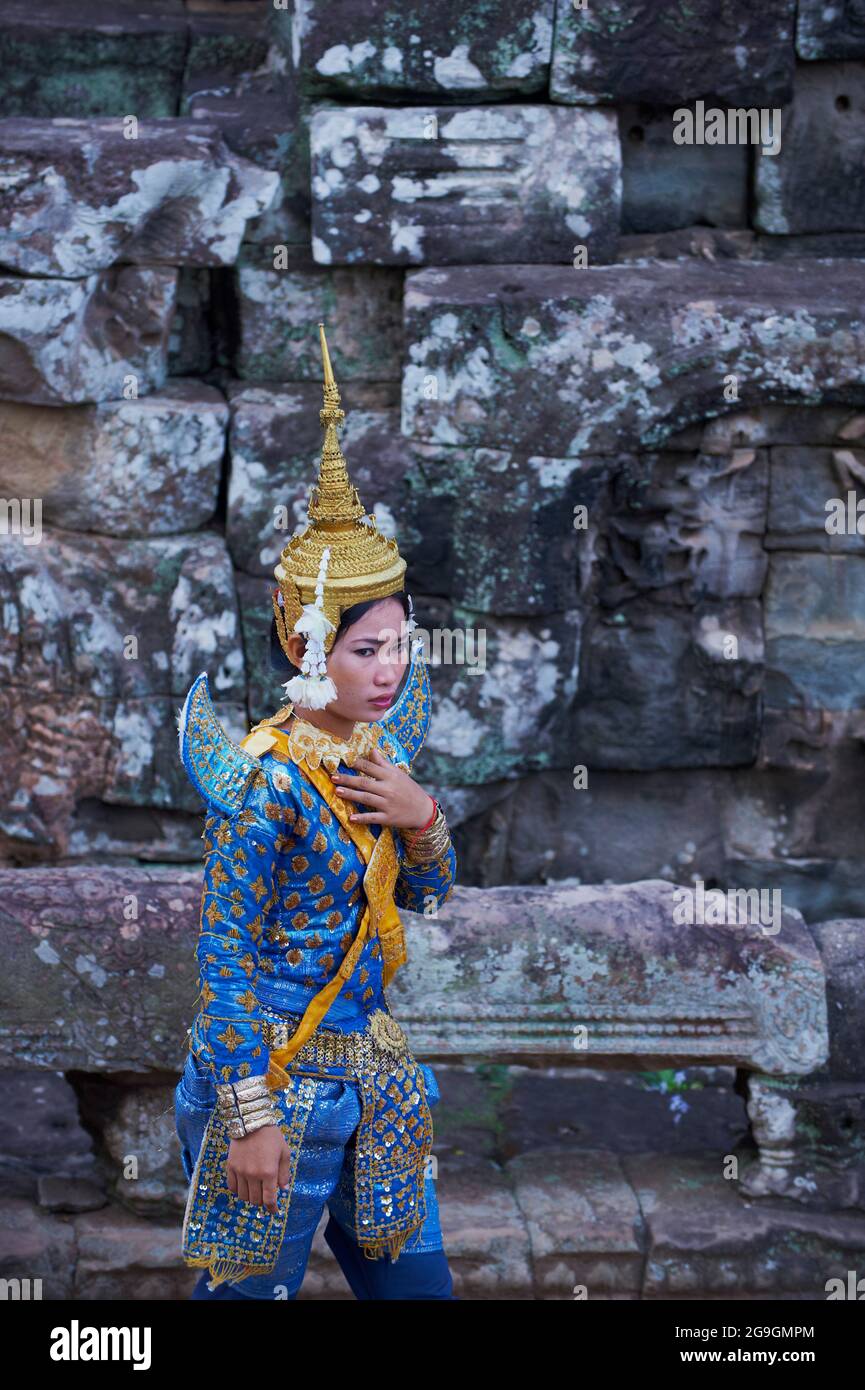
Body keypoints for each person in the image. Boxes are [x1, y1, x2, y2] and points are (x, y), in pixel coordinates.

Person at [174, 323, 458, 1300]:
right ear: (305, 647)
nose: (391, 670)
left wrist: (420, 816)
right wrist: (246, 1109)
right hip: (276, 1089)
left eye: (399, 644)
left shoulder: (385, 753)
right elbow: (223, 956)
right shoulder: (267, 780)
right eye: (364, 650)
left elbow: (428, 893)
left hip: (378, 1084)